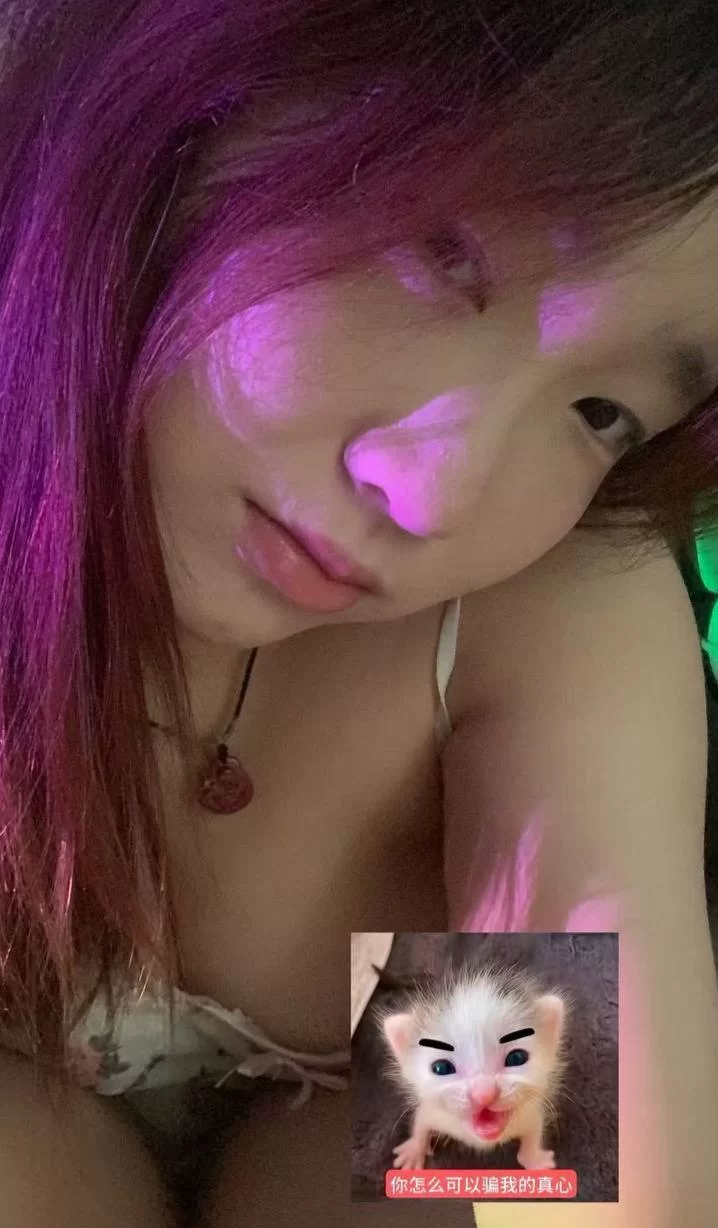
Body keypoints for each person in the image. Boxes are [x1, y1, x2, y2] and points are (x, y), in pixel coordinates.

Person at [0, 1, 717, 1225]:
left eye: (601, 412)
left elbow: (623, 1186)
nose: (434, 493)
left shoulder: (543, 606)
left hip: (366, 1123)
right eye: (441, 257)